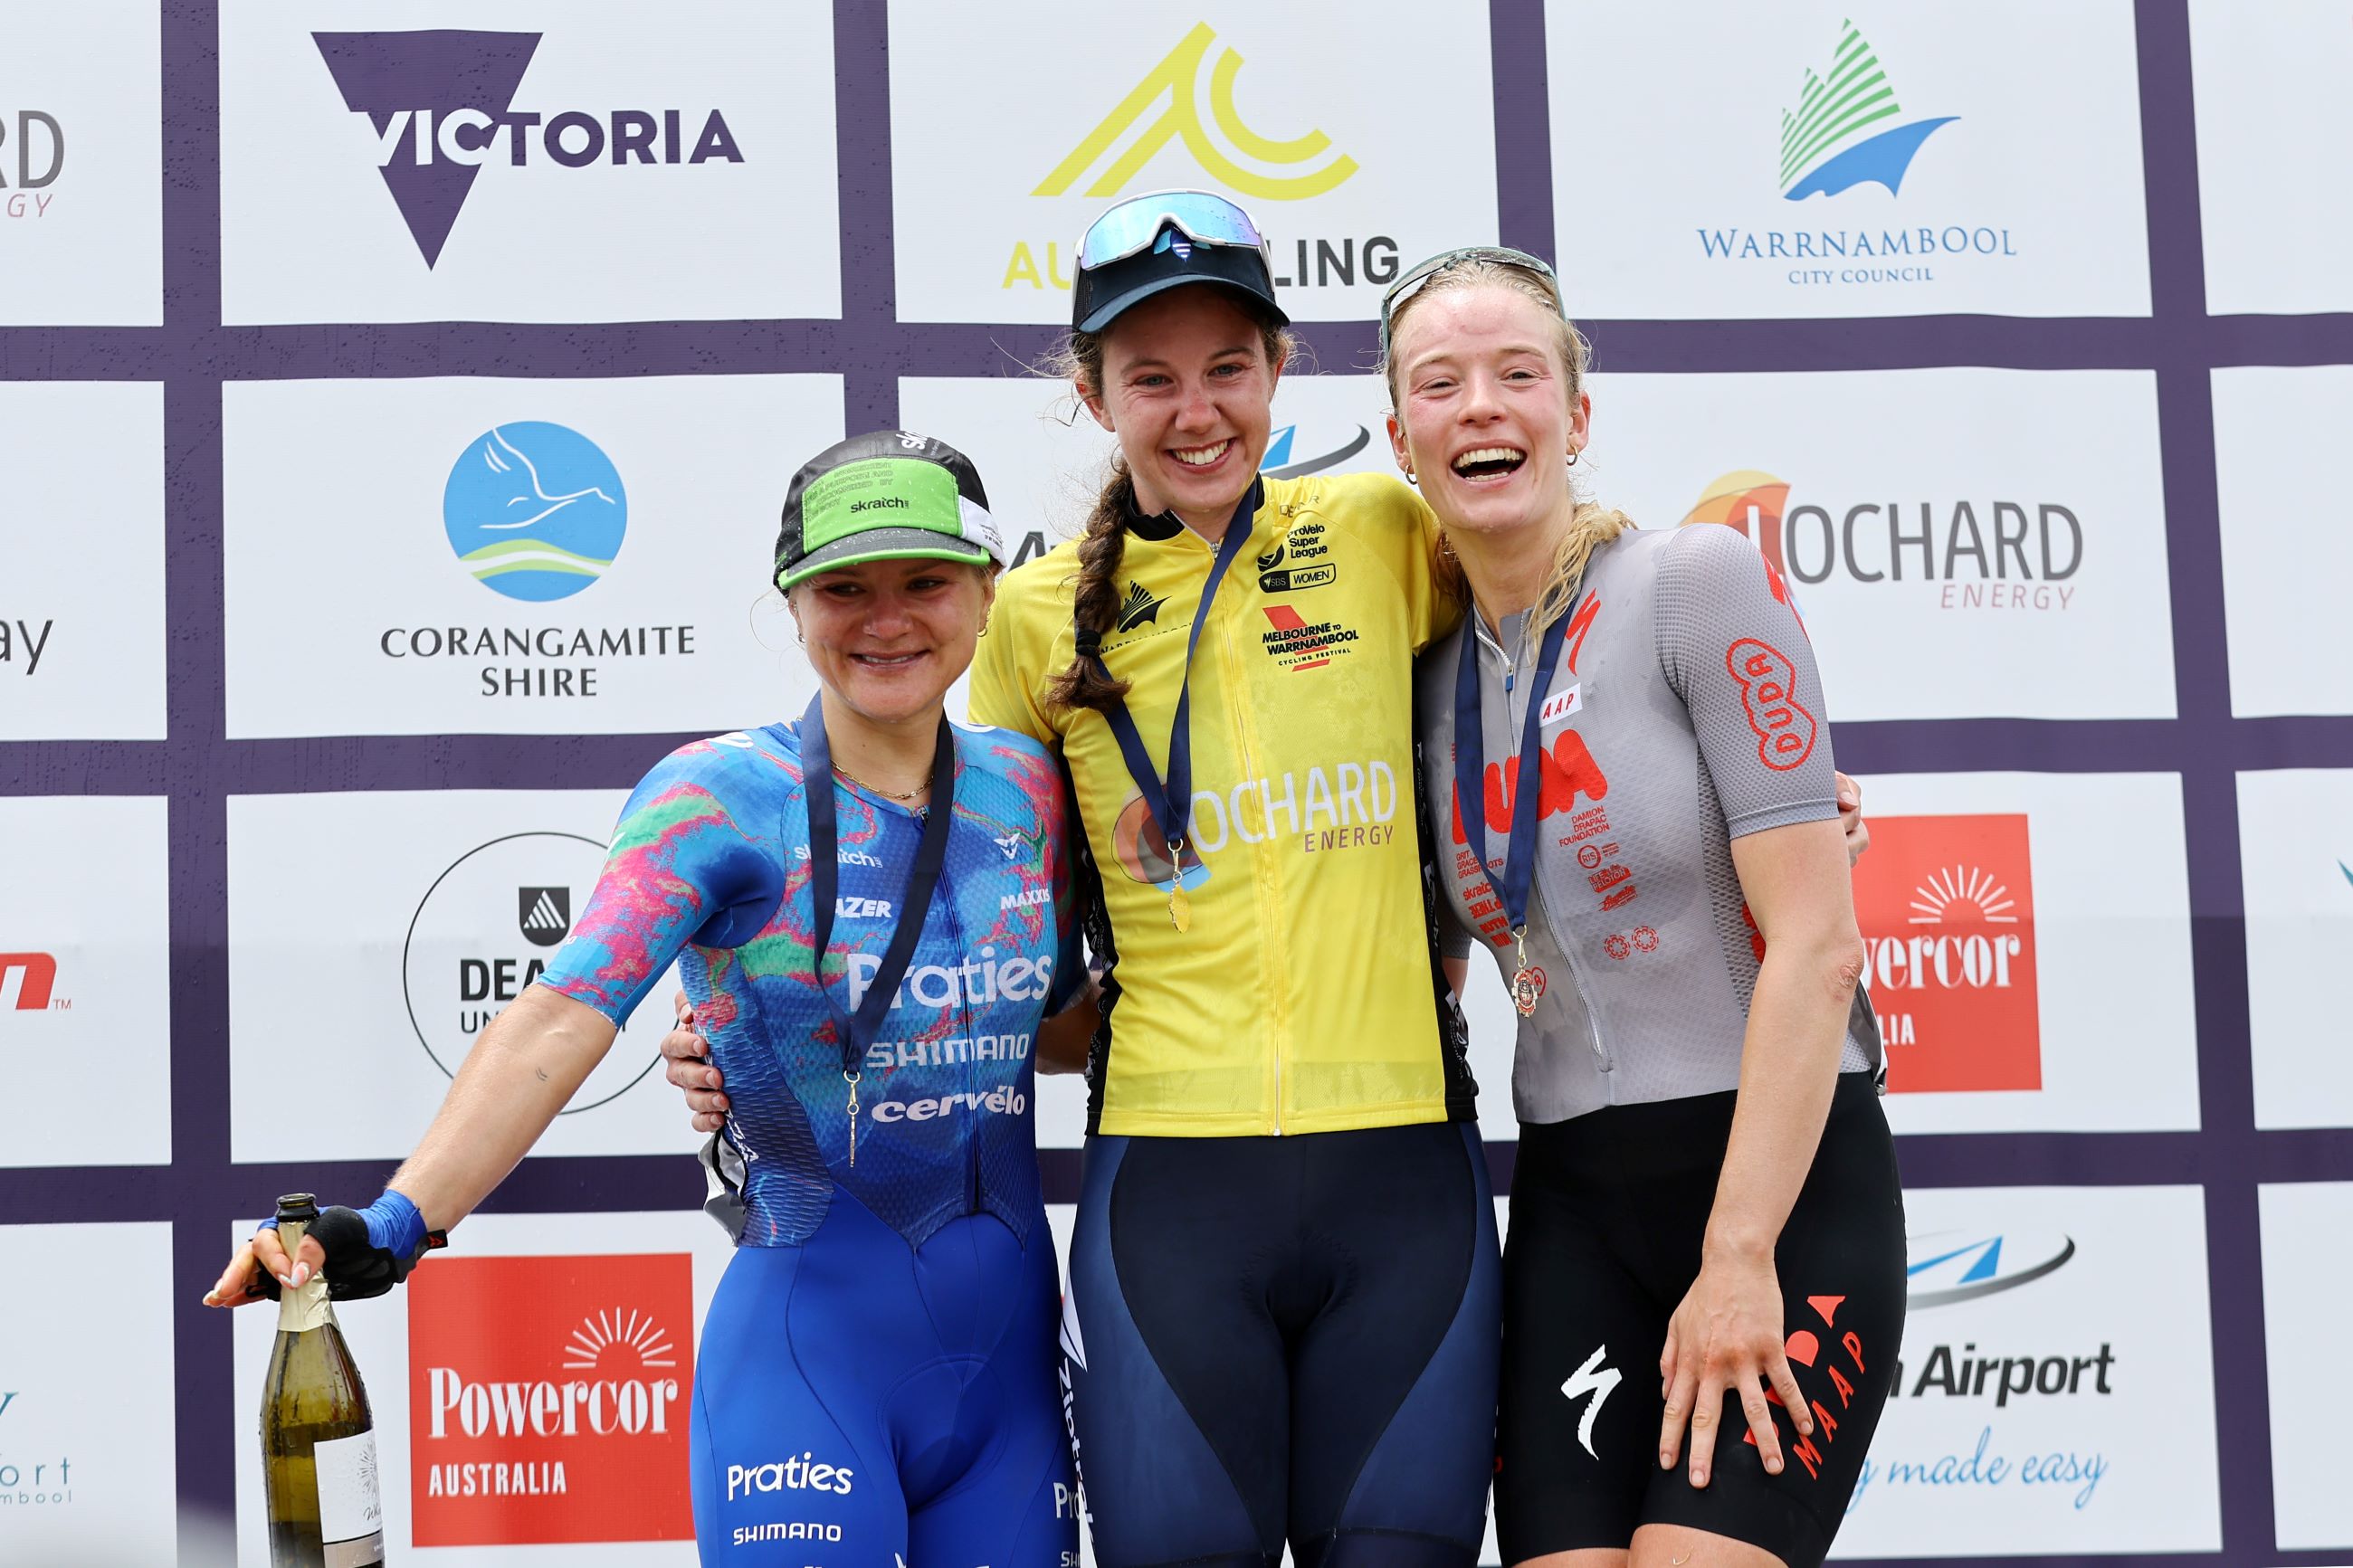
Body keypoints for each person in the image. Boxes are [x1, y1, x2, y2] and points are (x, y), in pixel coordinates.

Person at [655, 197, 1875, 1564]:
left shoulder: (1373, 528)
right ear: (1092, 394)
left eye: (1227, 368)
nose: (1195, 411)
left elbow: (1551, 626)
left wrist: (1760, 804)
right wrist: (761, 1021)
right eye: (1151, 378)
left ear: (1282, 369)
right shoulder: (1038, 615)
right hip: (1172, 1198)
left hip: (1405, 1181)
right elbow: (919, 876)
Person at [206, 432, 1086, 1567]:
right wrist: (396, 1219)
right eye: (843, 588)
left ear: (983, 589)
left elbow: (1059, 1027)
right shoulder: (720, 795)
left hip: (1009, 1379)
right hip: (807, 1367)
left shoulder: (1026, 787)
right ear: (791, 601)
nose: (886, 619)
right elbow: (561, 1014)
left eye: (924, 581)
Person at [1383, 247, 1904, 1568]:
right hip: (1571, 1206)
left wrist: (1740, 1254)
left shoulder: (1694, 584)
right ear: (1401, 438)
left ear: (1579, 415)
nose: (1482, 407)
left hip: (1777, 1192)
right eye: (1441, 384)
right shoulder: (1425, 682)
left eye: (1518, 374)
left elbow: (1820, 941)